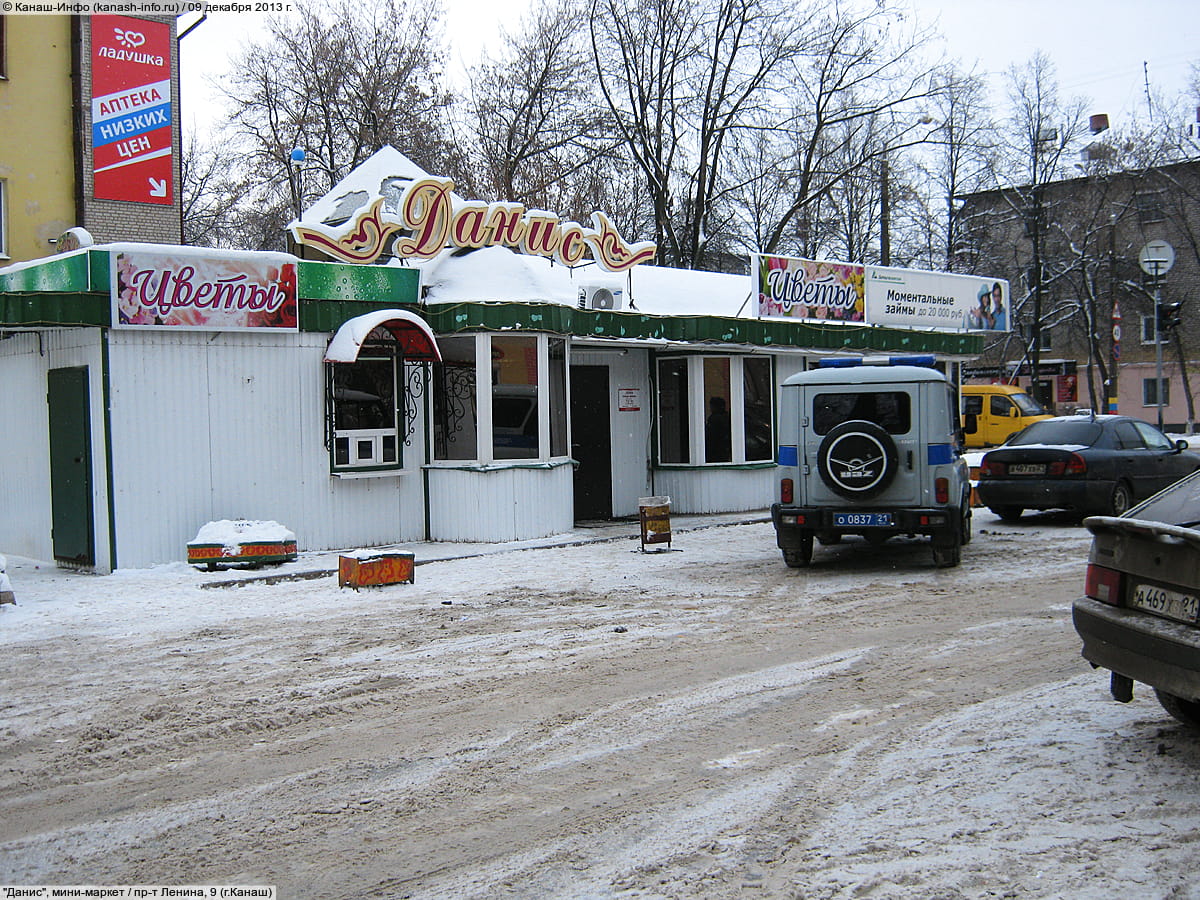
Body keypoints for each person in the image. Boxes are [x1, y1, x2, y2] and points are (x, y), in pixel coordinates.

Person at [705, 396, 732, 462]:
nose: (710, 408)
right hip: (723, 450)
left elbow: (711, 436)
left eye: (712, 406)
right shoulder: (726, 417)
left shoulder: (715, 419)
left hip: (716, 450)